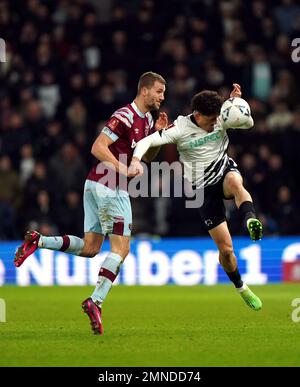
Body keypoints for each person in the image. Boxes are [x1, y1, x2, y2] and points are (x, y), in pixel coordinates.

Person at [14, 71, 168, 334]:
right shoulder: (125, 115)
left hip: (96, 184)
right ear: (144, 91)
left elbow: (147, 156)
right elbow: (97, 146)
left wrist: (158, 135)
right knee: (121, 249)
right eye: (158, 92)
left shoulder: (147, 120)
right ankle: (95, 301)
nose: (162, 97)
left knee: (90, 248)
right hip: (110, 184)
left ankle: (38, 241)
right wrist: (122, 168)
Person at [129, 84, 263, 311]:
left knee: (235, 183)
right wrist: (135, 160)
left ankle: (250, 218)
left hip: (223, 171)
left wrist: (236, 106)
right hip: (202, 189)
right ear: (198, 115)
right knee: (227, 251)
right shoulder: (179, 128)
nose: (214, 125)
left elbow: (248, 123)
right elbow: (147, 142)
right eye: (210, 121)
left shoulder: (222, 116)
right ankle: (241, 287)